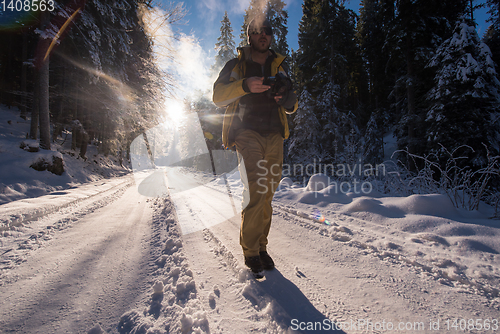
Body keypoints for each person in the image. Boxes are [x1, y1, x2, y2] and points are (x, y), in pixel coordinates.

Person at [212, 15, 298, 275]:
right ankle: (250, 252)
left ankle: (261, 247)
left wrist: (284, 98)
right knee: (257, 190)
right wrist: (245, 85)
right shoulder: (236, 65)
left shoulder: (278, 67)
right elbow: (217, 96)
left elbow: (292, 105)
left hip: (274, 134)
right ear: (249, 36)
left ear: (271, 36)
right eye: (258, 31)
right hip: (246, 132)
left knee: (268, 194)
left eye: (268, 31)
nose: (264, 35)